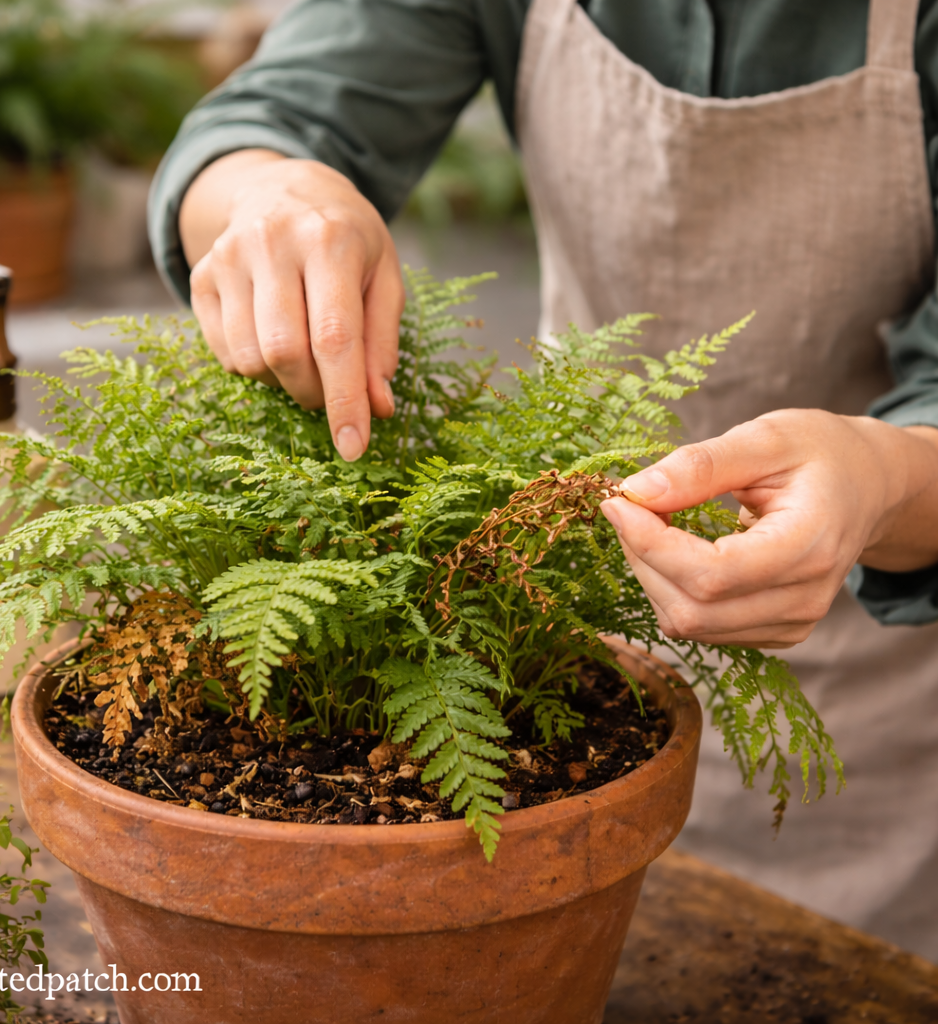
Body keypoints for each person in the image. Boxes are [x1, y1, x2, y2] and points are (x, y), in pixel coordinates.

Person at [149, 0, 938, 960]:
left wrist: (887, 480)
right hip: (564, 612)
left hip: (872, 684)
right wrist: (269, 196)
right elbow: (276, 114)